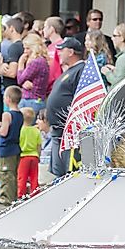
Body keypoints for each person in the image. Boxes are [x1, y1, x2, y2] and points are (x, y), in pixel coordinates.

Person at [45, 38, 85, 177]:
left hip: (68, 133)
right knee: (58, 172)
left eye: (62, 50)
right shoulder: (70, 71)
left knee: (65, 172)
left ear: (71, 52)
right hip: (58, 131)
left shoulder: (81, 70)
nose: (59, 53)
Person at [0, 86, 23, 205]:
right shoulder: (20, 114)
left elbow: (4, 132)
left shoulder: (6, 114)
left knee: (5, 174)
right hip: (16, 147)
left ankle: (6, 197)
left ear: (8, 99)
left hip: (6, 148)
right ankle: (13, 196)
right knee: (13, 174)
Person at [16, 33, 50, 116]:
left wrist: (20, 64)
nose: (25, 52)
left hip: (31, 100)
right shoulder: (42, 60)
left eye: (28, 48)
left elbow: (20, 79)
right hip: (36, 100)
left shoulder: (36, 62)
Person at [0, 17, 26, 91]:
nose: (4, 31)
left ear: (11, 28)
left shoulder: (14, 47)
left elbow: (12, 73)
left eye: (6, 28)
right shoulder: (24, 45)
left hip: (12, 89)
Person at [17, 107, 42, 198]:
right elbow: (39, 145)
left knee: (22, 177)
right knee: (34, 177)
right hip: (34, 156)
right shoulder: (36, 130)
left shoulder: (20, 130)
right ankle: (35, 193)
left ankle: (21, 195)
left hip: (23, 156)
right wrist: (38, 155)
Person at [43, 16, 65, 89]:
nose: (43, 30)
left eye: (45, 27)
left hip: (57, 86)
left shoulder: (63, 46)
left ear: (51, 29)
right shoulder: (48, 47)